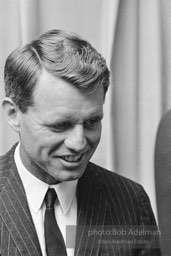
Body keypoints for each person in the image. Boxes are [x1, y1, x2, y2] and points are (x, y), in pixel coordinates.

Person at [0, 29, 161, 256]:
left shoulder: (132, 202)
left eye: (92, 122)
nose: (79, 143)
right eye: (60, 125)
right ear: (13, 114)